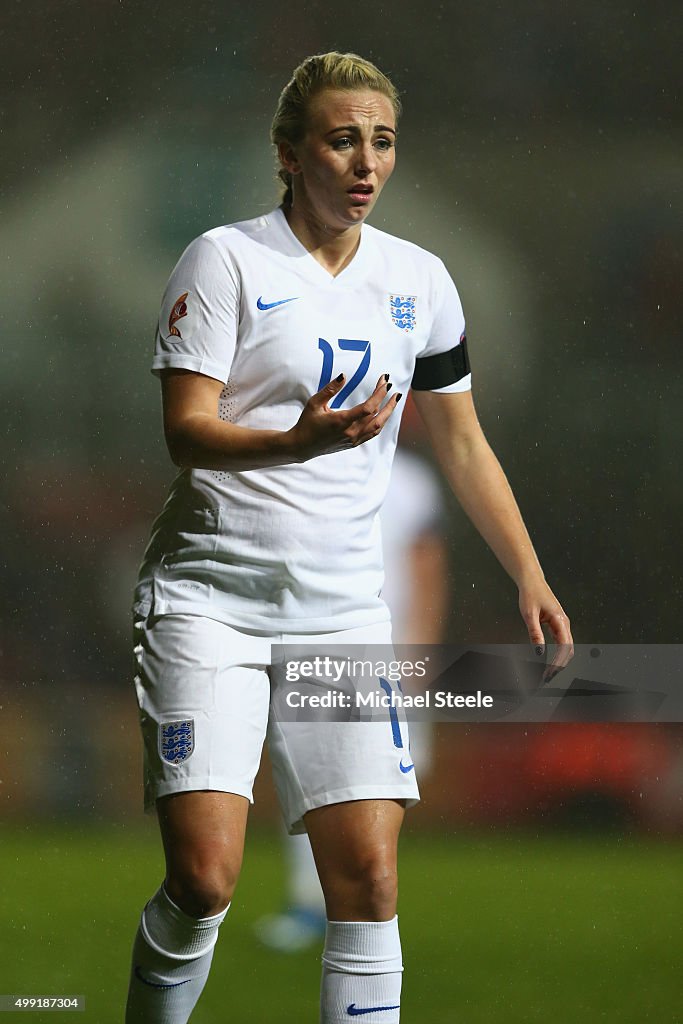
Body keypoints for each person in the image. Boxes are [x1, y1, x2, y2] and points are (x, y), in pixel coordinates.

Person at [125, 51, 573, 1024]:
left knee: (366, 880)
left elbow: (462, 443)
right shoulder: (225, 260)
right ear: (290, 155)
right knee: (204, 879)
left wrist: (528, 573)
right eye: (341, 140)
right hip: (211, 604)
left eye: (382, 140)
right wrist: (294, 442)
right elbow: (184, 431)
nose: (366, 161)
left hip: (339, 614)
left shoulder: (420, 280)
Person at [253, 439, 449, 953]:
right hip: (319, 640)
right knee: (310, 772)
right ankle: (310, 902)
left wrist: (422, 647)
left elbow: (428, 566)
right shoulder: (309, 458)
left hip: (390, 647)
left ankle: (363, 902)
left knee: (382, 782)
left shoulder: (411, 480)